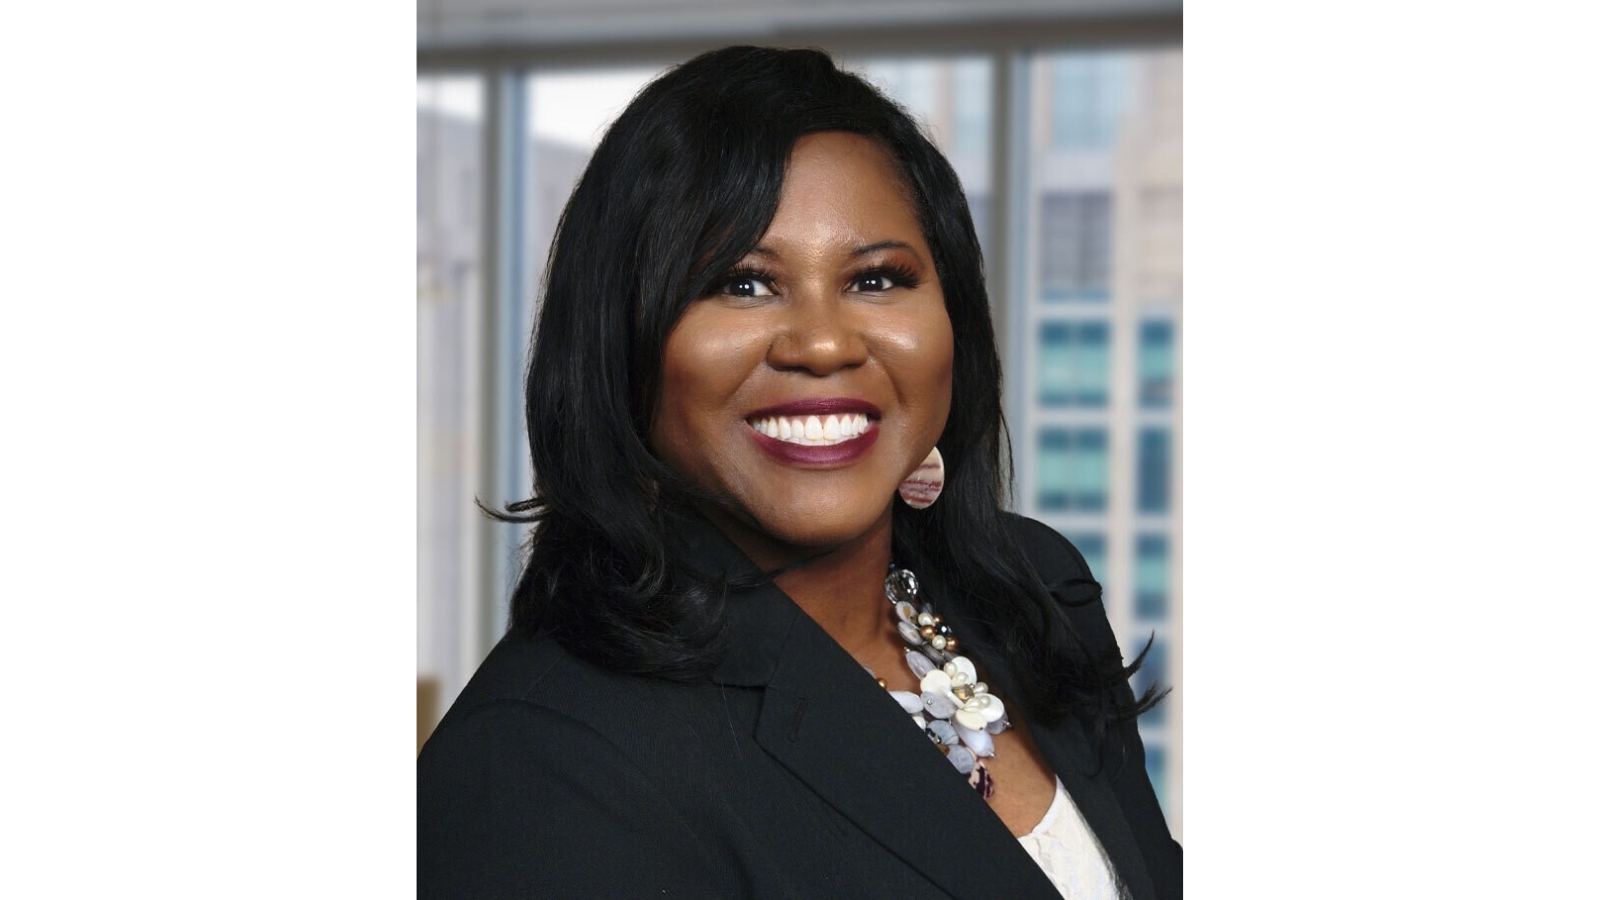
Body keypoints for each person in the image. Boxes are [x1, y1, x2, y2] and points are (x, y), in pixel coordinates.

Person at [418, 45, 1180, 899]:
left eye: (877, 278)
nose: (822, 343)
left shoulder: (1039, 588)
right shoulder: (540, 768)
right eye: (742, 285)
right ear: (621, 349)